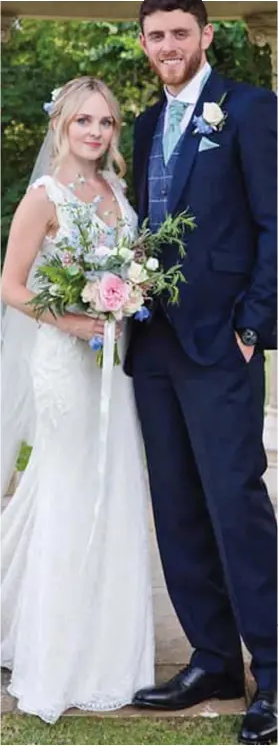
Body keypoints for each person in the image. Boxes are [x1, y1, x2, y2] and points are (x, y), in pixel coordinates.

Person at [126, 0, 277, 744]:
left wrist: (254, 323)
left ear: (207, 36)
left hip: (222, 342)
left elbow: (274, 221)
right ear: (145, 42)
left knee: (236, 505)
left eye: (180, 33)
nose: (168, 47)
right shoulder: (147, 122)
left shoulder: (248, 110)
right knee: (178, 509)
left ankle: (274, 676)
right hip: (150, 344)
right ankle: (213, 660)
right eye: (156, 36)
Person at [1, 76, 154, 723]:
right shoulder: (45, 197)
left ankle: (110, 648)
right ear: (61, 125)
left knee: (114, 487)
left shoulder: (118, 192)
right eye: (84, 121)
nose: (96, 133)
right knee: (67, 489)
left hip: (113, 364)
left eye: (106, 123)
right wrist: (76, 321)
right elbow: (11, 286)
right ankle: (56, 652)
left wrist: (129, 296)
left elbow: (135, 264)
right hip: (65, 361)